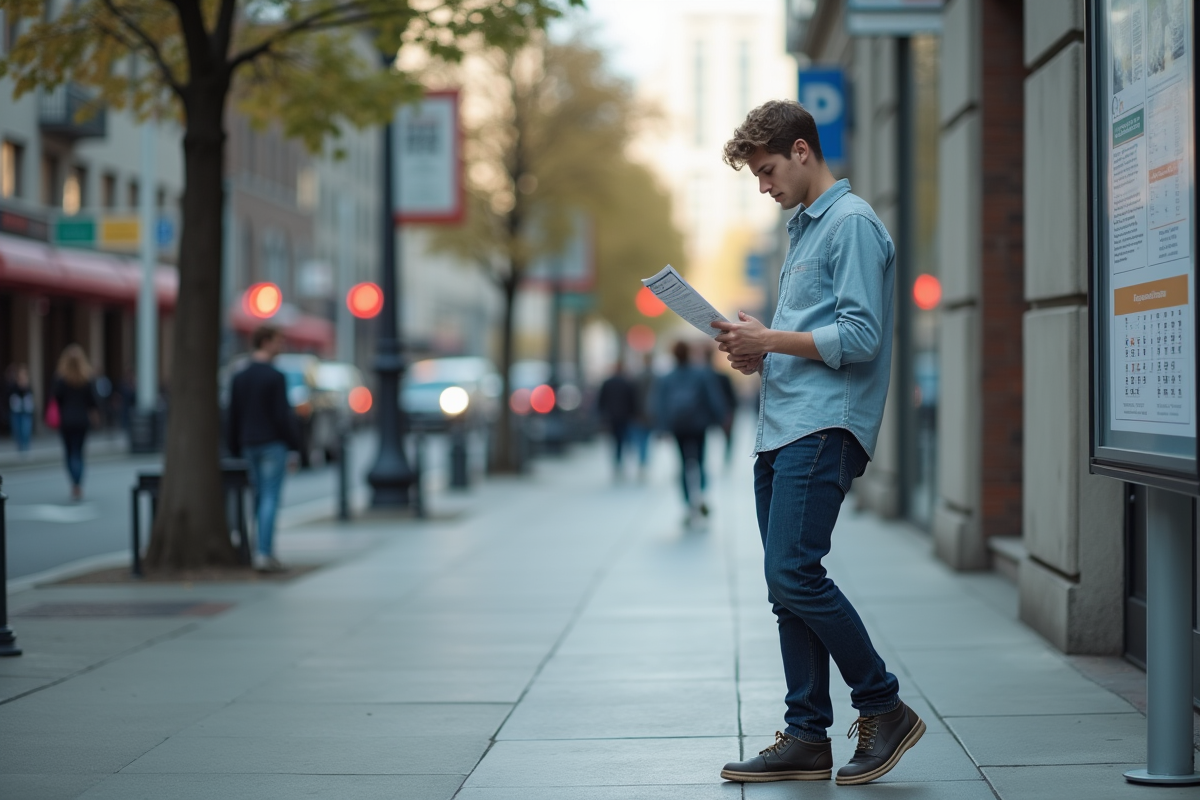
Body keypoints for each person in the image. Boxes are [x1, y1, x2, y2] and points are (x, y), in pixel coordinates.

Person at [713, 100, 923, 786]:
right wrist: (759, 351)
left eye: (768, 170)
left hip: (823, 428)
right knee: (786, 587)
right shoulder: (804, 231)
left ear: (803, 151)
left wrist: (770, 339)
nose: (765, 185)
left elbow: (861, 339)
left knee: (795, 573)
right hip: (783, 425)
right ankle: (807, 735)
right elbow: (813, 336)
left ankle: (882, 706)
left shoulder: (853, 224)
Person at [227, 325, 301, 573]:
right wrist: (295, 446)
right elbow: (283, 416)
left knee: (258, 498)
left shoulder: (240, 377)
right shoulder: (275, 377)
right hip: (272, 443)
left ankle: (258, 549)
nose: (281, 347)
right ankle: (264, 552)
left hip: (249, 443)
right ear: (266, 342)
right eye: (279, 341)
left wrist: (234, 446)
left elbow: (232, 416)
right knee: (270, 498)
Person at [654, 340, 727, 524]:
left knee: (682, 464)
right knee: (701, 462)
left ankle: (688, 503)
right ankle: (701, 495)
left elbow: (659, 404)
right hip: (699, 425)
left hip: (678, 426)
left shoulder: (666, 377)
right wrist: (721, 418)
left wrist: (662, 427)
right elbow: (712, 398)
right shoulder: (701, 373)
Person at [52, 345, 99, 500]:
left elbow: (56, 399)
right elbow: (93, 401)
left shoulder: (61, 379)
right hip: (82, 420)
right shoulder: (87, 378)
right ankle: (78, 484)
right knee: (79, 452)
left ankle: (74, 482)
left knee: (69, 453)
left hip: (66, 420)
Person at [596, 363, 639, 480]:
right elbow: (632, 400)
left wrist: (602, 414)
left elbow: (601, 400)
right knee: (622, 440)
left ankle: (617, 462)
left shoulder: (608, 382)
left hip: (612, 416)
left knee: (615, 440)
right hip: (624, 416)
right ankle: (620, 461)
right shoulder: (627, 383)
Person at [702, 342, 738, 464]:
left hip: (708, 412)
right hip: (722, 411)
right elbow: (732, 397)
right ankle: (726, 458)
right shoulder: (721, 376)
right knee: (728, 438)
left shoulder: (702, 376)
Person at [6, 364, 34, 454]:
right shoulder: (14, 385)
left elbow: (31, 397)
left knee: (26, 430)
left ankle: (25, 448)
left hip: (26, 411)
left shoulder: (28, 386)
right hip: (16, 411)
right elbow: (9, 396)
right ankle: (20, 448)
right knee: (17, 431)